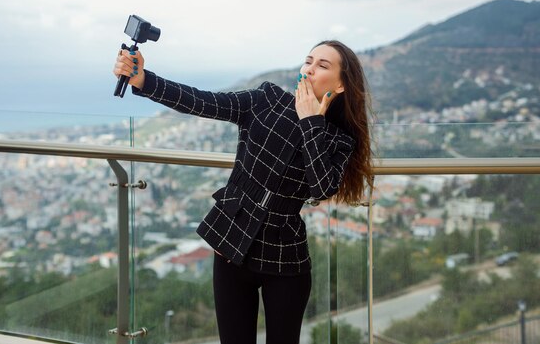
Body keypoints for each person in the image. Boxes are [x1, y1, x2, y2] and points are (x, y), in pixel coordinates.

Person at [113, 40, 374, 344]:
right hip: (232, 245)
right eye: (308, 61)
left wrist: (311, 121)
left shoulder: (338, 139)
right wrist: (144, 80)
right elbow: (204, 102)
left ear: (341, 85)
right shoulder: (267, 100)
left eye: (322, 66)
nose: (310, 69)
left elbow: (322, 187)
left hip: (285, 257)